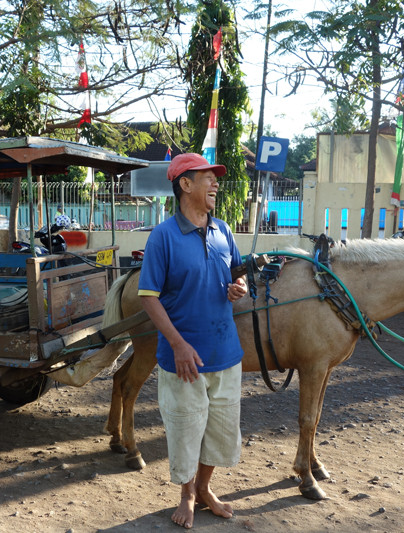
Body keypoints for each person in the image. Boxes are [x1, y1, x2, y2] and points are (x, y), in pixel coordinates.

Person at [137, 153, 248, 529]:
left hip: (226, 353)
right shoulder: (163, 237)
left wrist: (239, 288)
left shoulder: (223, 230)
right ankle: (186, 495)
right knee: (186, 429)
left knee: (219, 430)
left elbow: (237, 272)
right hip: (183, 358)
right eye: (208, 178)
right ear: (185, 184)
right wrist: (178, 344)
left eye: (216, 178)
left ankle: (204, 488)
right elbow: (148, 296)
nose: (216, 184)